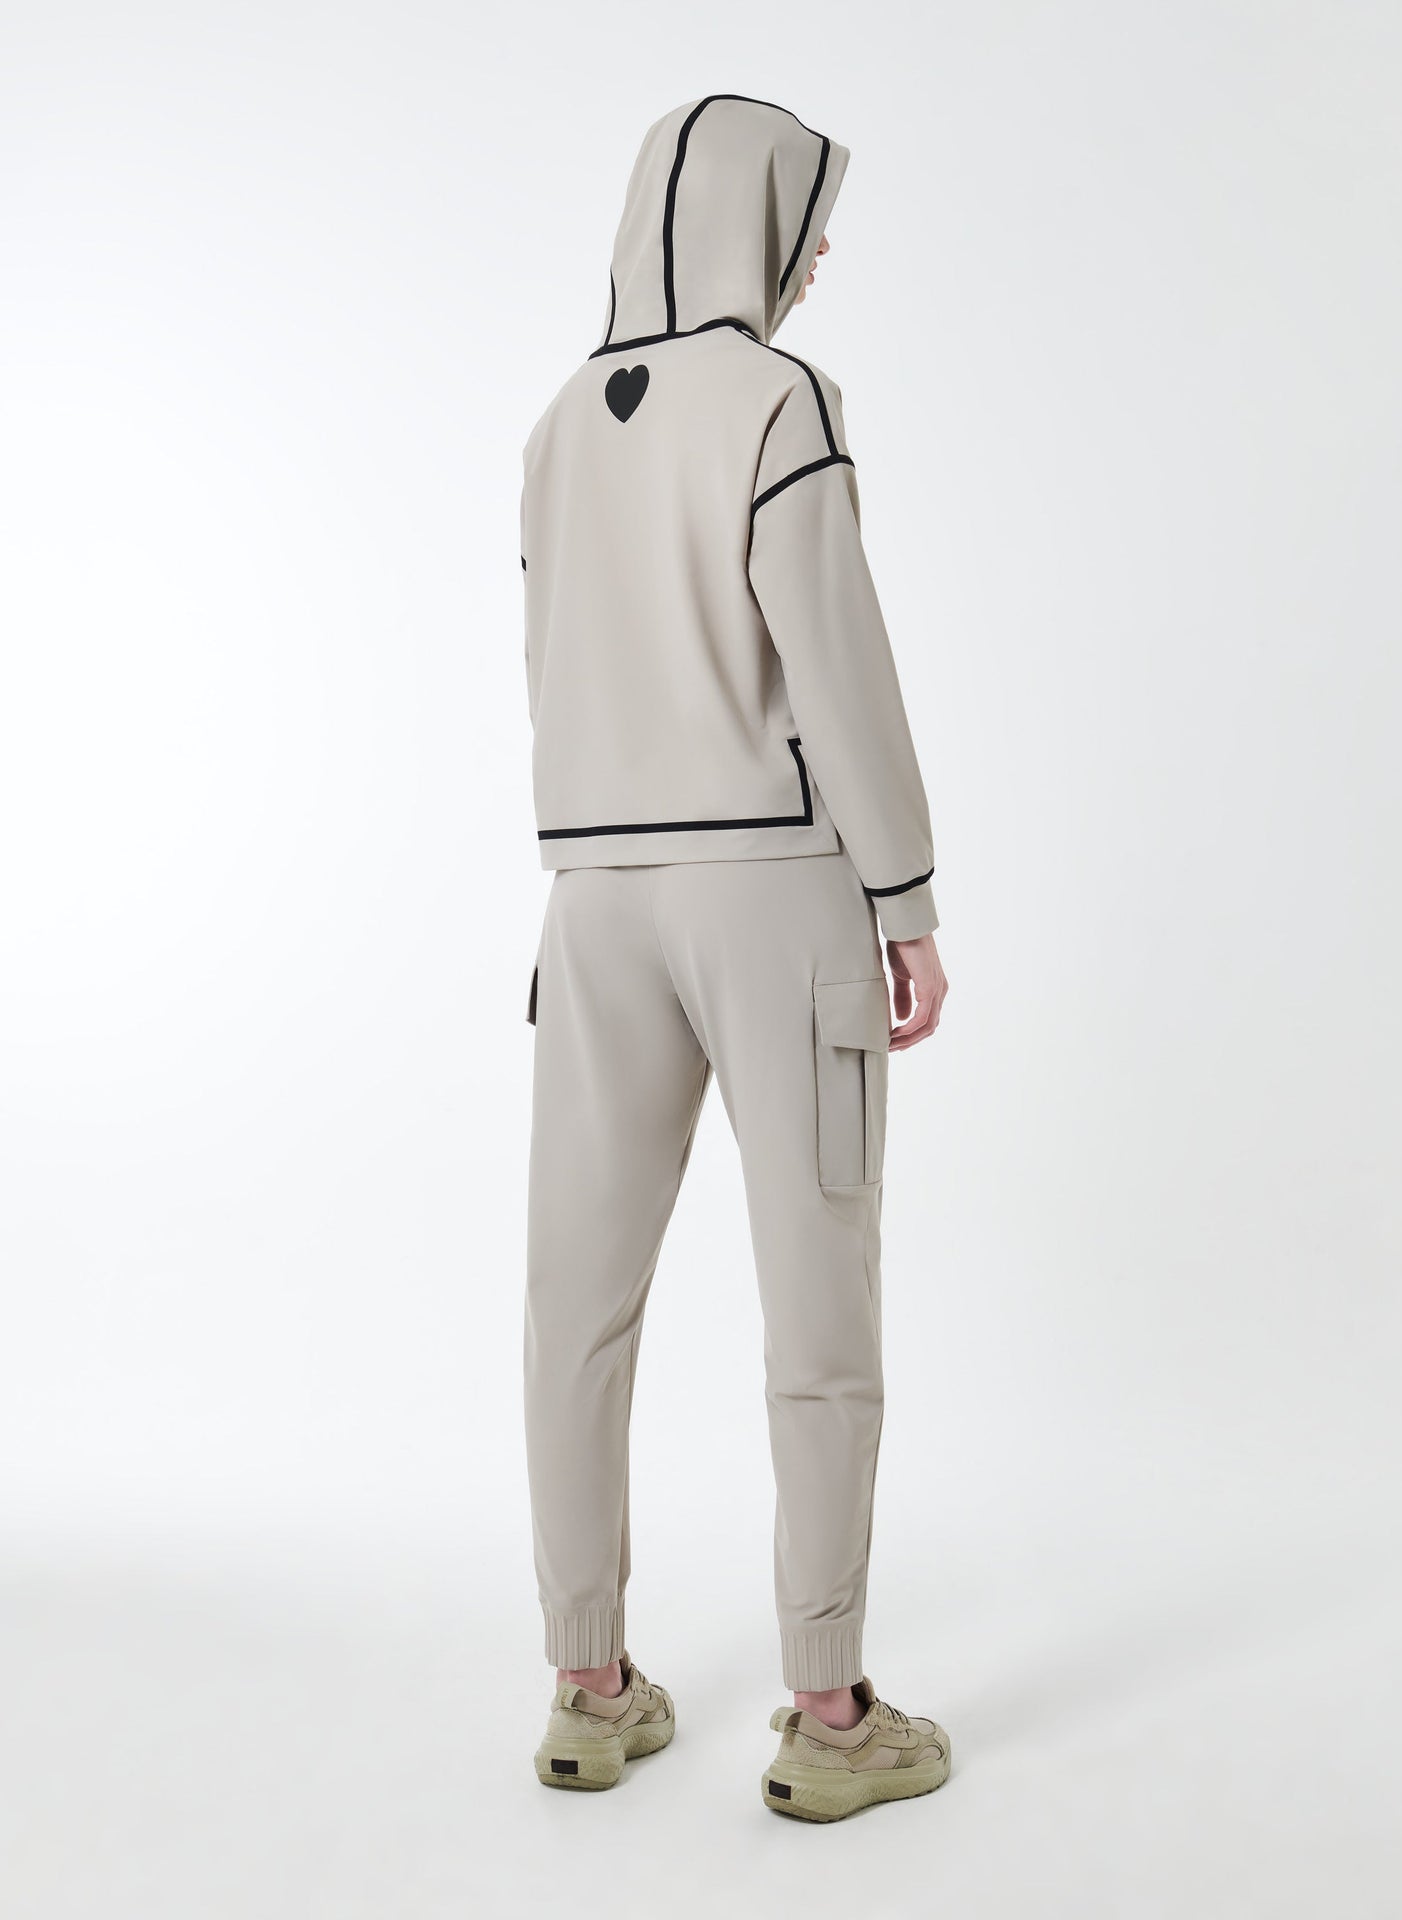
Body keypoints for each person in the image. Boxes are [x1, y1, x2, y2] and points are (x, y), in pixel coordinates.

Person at [519, 94, 951, 1822]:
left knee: (575, 1303)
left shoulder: (559, 423)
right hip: (773, 891)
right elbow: (835, 653)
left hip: (591, 898)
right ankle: (831, 1714)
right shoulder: (781, 399)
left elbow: (548, 665)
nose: (818, 251)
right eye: (806, 215)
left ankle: (588, 1687)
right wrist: (905, 897)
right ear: (747, 222)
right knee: (817, 1298)